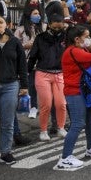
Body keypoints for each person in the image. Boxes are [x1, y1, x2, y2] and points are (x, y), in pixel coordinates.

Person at [56, 25, 91, 170]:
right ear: (77, 39)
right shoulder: (72, 51)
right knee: (78, 123)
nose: (89, 39)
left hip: (86, 90)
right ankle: (65, 158)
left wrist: (90, 44)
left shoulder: (81, 48)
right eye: (86, 36)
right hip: (74, 92)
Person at [0, 13, 28, 164]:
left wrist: (25, 85)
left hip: (10, 85)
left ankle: (6, 151)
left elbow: (22, 64)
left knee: (7, 122)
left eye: (1, 22)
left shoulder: (14, 42)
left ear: (7, 24)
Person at [27, 13, 68, 141]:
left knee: (61, 103)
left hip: (60, 73)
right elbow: (32, 56)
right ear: (49, 25)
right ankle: (43, 130)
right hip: (42, 73)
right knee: (46, 104)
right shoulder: (41, 38)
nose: (57, 30)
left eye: (59, 27)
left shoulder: (66, 37)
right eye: (54, 27)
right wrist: (27, 73)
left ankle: (61, 127)